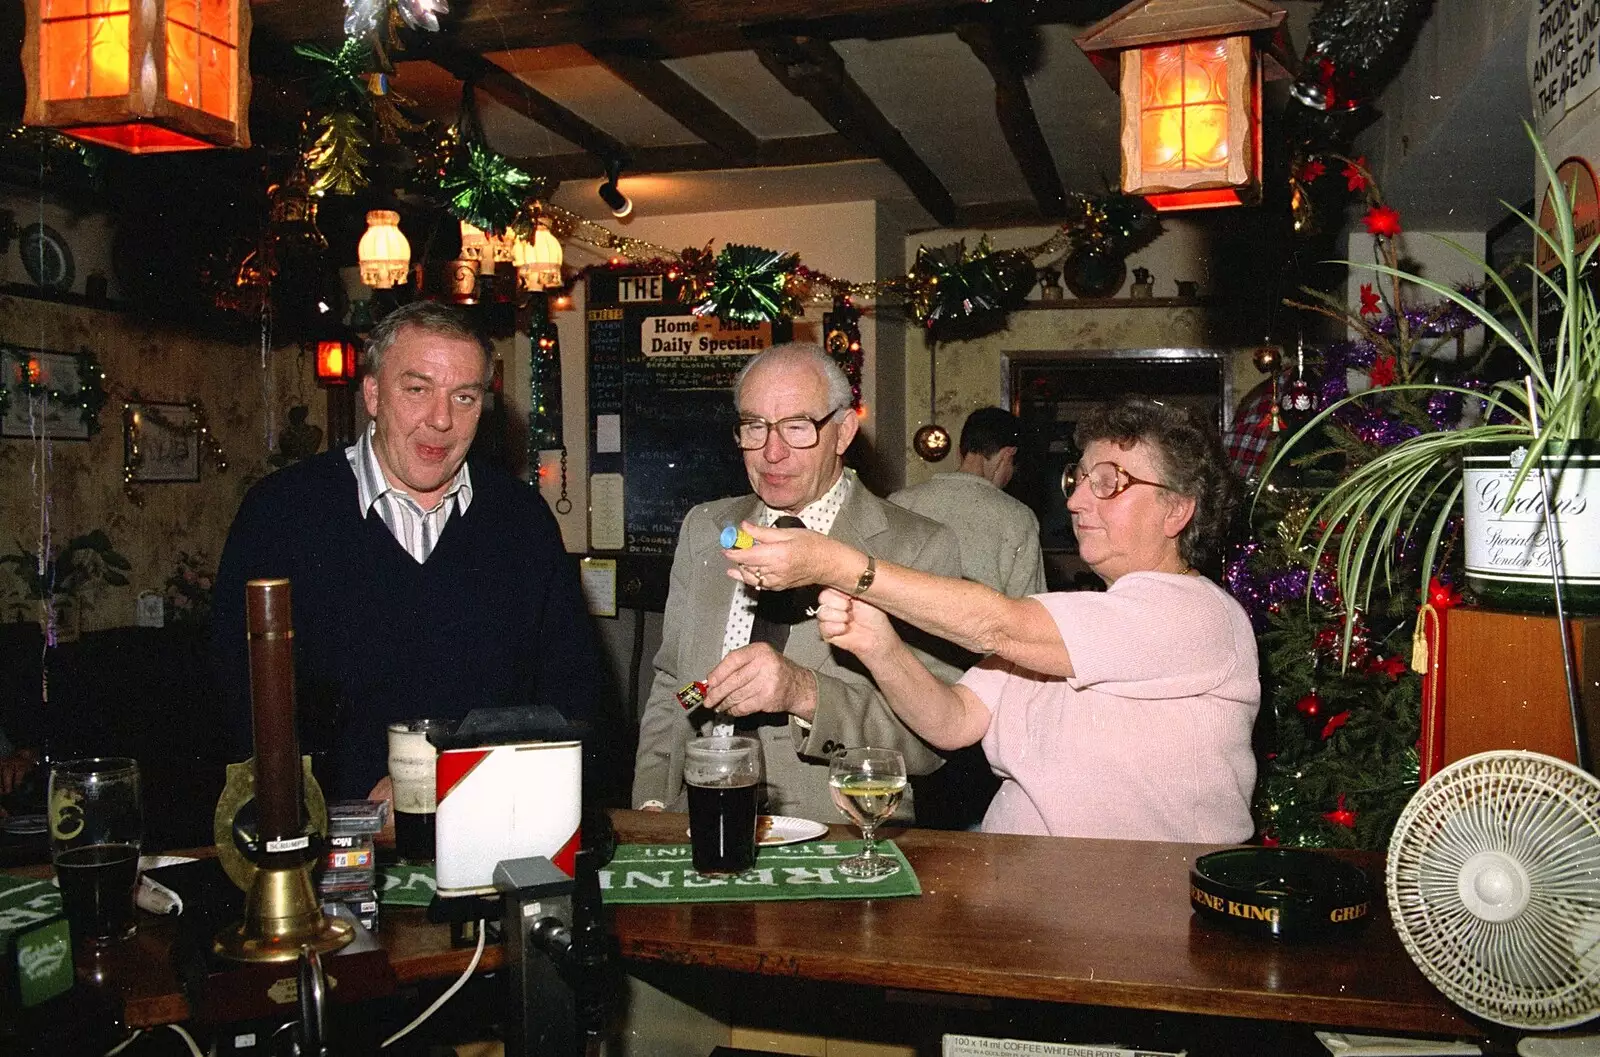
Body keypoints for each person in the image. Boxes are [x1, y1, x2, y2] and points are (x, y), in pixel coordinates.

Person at [721, 396, 1259, 843]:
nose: (1075, 501)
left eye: (1109, 482)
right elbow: (952, 720)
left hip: (1129, 910)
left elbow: (997, 624)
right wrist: (880, 646)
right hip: (1018, 889)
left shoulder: (1197, 613)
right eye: (1079, 478)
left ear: (1176, 510)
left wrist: (833, 561)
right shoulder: (1076, 619)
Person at [213, 300, 617, 803]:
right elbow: (238, 700)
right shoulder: (282, 512)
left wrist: (473, 783)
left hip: (493, 819)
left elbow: (572, 697)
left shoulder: (523, 521)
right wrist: (347, 802)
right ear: (373, 394)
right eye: (417, 389)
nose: (441, 420)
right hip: (333, 840)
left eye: (464, 397)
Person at [632, 342, 967, 824]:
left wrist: (805, 693)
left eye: (797, 427)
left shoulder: (916, 550)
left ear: (843, 431)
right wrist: (652, 801)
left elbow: (928, 745)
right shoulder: (705, 530)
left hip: (838, 842)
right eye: (754, 426)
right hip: (698, 825)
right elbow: (675, 685)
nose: (772, 451)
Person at [889, 406, 1045, 597]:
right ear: (1007, 455)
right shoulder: (1020, 517)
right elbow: (1029, 606)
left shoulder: (900, 502)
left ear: (959, 452)